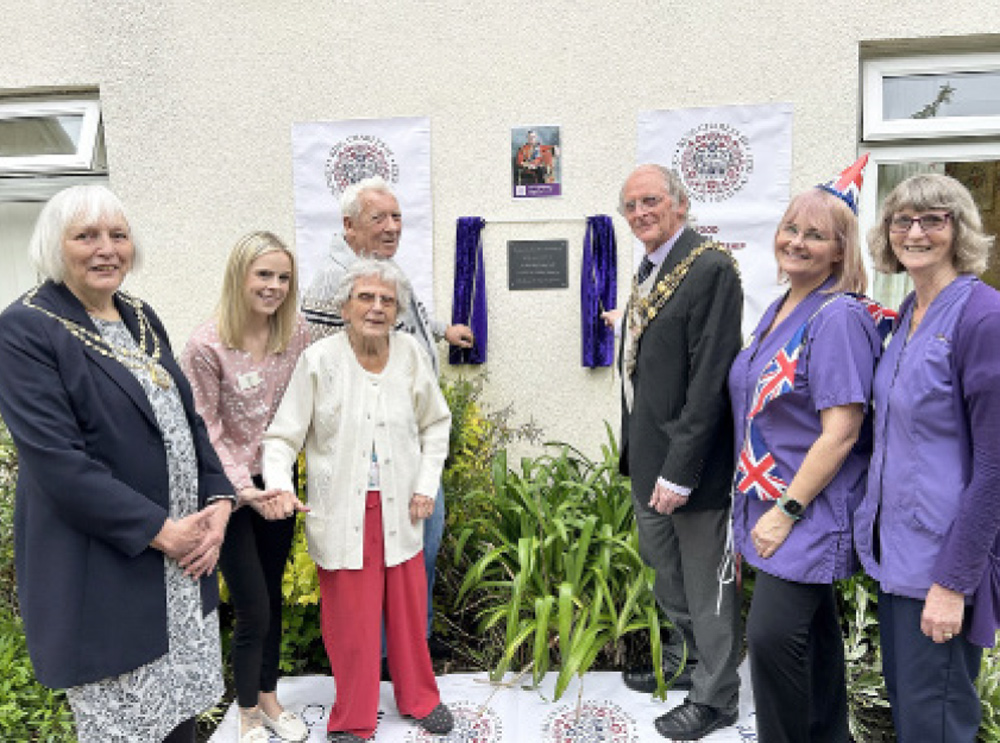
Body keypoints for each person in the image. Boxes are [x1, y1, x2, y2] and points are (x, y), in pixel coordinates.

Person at [0, 184, 235, 743]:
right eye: (85, 236)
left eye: (118, 235)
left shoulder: (140, 314)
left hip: (179, 570)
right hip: (110, 570)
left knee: (180, 723)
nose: (106, 249)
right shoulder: (24, 329)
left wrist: (220, 502)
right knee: (126, 730)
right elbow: (59, 464)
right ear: (57, 247)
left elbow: (187, 419)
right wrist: (162, 533)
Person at [263, 258, 454, 742]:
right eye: (365, 298)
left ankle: (419, 699)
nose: (376, 307)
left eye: (387, 300)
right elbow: (283, 437)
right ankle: (353, 718)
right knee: (351, 623)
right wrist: (280, 485)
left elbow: (436, 423)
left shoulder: (410, 353)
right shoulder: (320, 360)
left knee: (409, 614)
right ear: (345, 307)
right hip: (343, 512)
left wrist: (425, 485)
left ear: (398, 311)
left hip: (404, 508)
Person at [728, 158, 885, 743]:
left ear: (841, 253)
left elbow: (840, 431)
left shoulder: (838, 315)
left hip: (804, 510)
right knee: (813, 638)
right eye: (791, 228)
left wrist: (784, 511)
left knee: (771, 638)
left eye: (815, 235)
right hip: (769, 501)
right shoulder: (780, 307)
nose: (796, 242)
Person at [854, 173, 1000, 742]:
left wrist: (953, 582)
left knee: (936, 724)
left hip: (941, 565)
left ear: (958, 230)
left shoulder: (982, 318)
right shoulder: (906, 317)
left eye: (933, 220)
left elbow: (994, 466)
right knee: (916, 716)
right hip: (897, 559)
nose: (914, 232)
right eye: (901, 220)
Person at [302, 176, 472, 656]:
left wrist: (442, 330)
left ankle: (414, 639)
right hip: (373, 452)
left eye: (397, 216)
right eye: (380, 218)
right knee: (384, 557)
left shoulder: (377, 267)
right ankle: (386, 654)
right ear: (349, 225)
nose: (393, 226)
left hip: (409, 438)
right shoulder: (335, 281)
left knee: (420, 545)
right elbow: (329, 371)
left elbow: (406, 319)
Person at [615, 164, 743, 740]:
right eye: (631, 206)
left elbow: (710, 379)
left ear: (680, 205)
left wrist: (681, 468)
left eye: (651, 201)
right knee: (669, 578)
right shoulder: (650, 270)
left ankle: (718, 699)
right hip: (648, 461)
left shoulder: (711, 268)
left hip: (690, 469)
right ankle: (694, 664)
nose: (640, 213)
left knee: (706, 585)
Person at [180, 232, 310, 743]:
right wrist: (242, 489)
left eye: (283, 277)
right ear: (240, 276)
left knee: (272, 596)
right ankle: (247, 713)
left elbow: (298, 408)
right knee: (251, 604)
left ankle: (271, 699)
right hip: (227, 490)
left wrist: (279, 479)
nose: (274, 286)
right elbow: (204, 428)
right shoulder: (205, 345)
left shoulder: (294, 332)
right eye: (264, 275)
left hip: (277, 480)